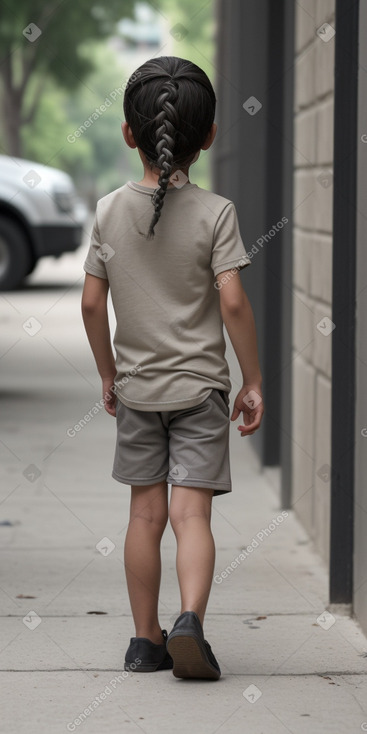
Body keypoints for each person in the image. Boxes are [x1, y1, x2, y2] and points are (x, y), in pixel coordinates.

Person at [81, 55, 264, 681]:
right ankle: (190, 620)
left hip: (138, 390)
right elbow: (233, 299)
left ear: (130, 134)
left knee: (144, 515)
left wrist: (108, 374)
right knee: (192, 516)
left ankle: (143, 641)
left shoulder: (108, 211)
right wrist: (253, 381)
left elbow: (90, 302)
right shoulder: (217, 213)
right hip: (200, 393)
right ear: (210, 135)